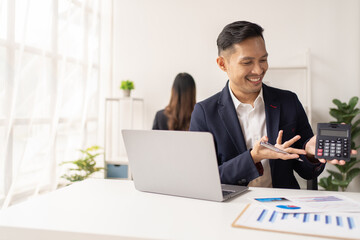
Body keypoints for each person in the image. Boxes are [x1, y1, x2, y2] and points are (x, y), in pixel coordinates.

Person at [189, 21, 351, 189]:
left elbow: (307, 171)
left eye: (263, 60)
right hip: (230, 207)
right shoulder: (205, 113)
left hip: (283, 206)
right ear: (223, 64)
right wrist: (253, 158)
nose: (259, 70)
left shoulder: (288, 102)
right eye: (247, 63)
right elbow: (202, 180)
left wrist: (310, 153)